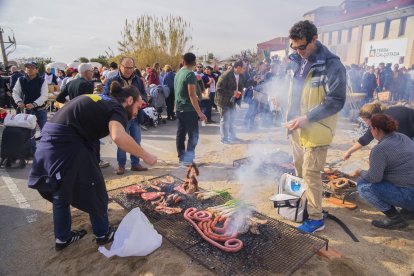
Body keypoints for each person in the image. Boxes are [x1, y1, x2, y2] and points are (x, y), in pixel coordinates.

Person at [28, 82, 157, 251]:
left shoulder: (104, 100)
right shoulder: (117, 107)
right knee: (95, 188)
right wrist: (145, 155)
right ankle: (103, 234)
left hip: (51, 137)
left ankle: (63, 238)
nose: (137, 112)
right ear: (130, 100)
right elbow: (118, 136)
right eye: (138, 106)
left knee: (60, 189)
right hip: (68, 142)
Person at [285, 20, 346, 233]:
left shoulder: (331, 64)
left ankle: (316, 218)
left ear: (314, 39)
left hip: (317, 129)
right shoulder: (296, 60)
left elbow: (336, 100)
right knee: (300, 172)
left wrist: (307, 117)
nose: (299, 51)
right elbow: (296, 92)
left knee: (311, 175)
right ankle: (306, 208)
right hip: (296, 129)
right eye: (295, 47)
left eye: (303, 47)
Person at [353, 114, 414, 229]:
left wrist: (360, 171)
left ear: (376, 129)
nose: (371, 131)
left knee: (363, 186)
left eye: (371, 128)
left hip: (410, 195)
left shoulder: (379, 149)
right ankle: (410, 211)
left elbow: (374, 178)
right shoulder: (403, 137)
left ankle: (395, 219)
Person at [104, 57, 148, 175]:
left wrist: (142, 100)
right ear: (120, 67)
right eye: (126, 67)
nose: (129, 70)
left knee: (136, 140)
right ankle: (121, 165)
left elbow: (144, 94)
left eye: (131, 67)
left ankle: (135, 163)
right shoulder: (112, 81)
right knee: (122, 142)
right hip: (120, 118)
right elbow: (106, 98)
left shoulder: (138, 80)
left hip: (135, 116)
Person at [344, 102, 414, 160]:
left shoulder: (388, 119)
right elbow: (366, 138)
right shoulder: (381, 117)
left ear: (373, 115)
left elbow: (403, 141)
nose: (365, 123)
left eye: (365, 120)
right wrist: (349, 151)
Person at [174, 52, 207, 165]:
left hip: (179, 108)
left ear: (184, 61)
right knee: (194, 135)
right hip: (188, 110)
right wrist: (200, 113)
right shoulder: (190, 74)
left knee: (181, 134)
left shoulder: (178, 73)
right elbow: (192, 95)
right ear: (194, 62)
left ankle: (182, 157)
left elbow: (179, 92)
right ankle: (188, 159)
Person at [12, 62, 49, 154]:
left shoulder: (42, 80)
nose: (29, 69)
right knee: (29, 132)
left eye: (32, 67)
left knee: (44, 131)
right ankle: (32, 152)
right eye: (28, 67)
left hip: (40, 109)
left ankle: (46, 151)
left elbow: (44, 95)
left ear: (37, 69)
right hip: (27, 111)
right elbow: (15, 92)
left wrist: (34, 104)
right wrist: (19, 101)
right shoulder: (21, 79)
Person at [215, 59, 248, 144]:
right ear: (238, 67)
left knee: (232, 120)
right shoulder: (226, 75)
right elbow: (219, 89)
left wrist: (255, 81)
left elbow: (244, 84)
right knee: (225, 120)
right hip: (223, 101)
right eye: (244, 68)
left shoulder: (240, 75)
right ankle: (224, 139)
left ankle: (232, 137)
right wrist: (232, 92)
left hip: (232, 101)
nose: (245, 69)